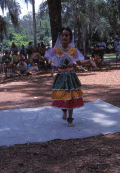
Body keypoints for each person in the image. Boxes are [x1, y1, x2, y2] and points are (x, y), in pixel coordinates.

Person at [44, 27, 97, 127]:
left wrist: (90, 61)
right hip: (60, 76)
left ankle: (70, 119)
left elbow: (80, 62)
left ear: (70, 38)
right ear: (59, 37)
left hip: (71, 76)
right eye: (62, 35)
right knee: (63, 96)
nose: (64, 37)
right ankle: (64, 110)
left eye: (67, 35)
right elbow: (45, 58)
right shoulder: (55, 50)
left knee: (71, 97)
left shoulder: (73, 50)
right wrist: (36, 56)